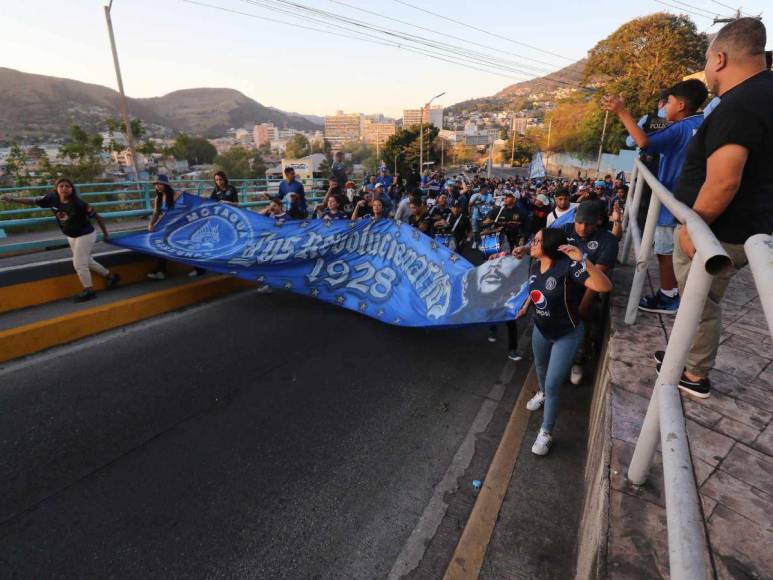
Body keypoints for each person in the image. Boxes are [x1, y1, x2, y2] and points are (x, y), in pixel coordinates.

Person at [665, 17, 773, 399]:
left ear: (721, 59)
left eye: (707, 60)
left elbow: (725, 179)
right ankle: (684, 355)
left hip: (720, 231)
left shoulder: (740, 104)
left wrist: (694, 226)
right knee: (700, 301)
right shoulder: (764, 94)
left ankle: (694, 373)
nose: (707, 70)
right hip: (748, 226)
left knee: (700, 303)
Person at [604, 79, 709, 316]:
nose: (664, 108)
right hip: (693, 198)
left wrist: (621, 112)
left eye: (669, 102)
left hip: (672, 199)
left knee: (665, 251)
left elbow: (642, 142)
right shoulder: (704, 123)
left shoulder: (680, 128)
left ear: (681, 105)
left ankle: (669, 295)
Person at [518, 227, 612, 455]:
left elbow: (604, 286)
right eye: (534, 239)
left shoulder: (568, 268)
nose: (533, 243)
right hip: (541, 329)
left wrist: (584, 261)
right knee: (540, 367)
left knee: (553, 384)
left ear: (549, 246)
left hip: (567, 335)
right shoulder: (534, 263)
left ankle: (546, 432)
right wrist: (526, 305)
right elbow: (535, 288)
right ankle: (541, 394)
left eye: (537, 240)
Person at [1, 177, 119, 302]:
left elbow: (98, 218)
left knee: (79, 264)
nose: (64, 189)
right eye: (61, 186)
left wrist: (106, 234)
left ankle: (89, 291)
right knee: (87, 261)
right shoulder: (52, 198)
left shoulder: (79, 204)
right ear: (56, 189)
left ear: (72, 189)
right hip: (71, 236)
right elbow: (33, 201)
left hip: (85, 235)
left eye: (67, 186)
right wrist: (13, 199)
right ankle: (111, 277)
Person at [146, 175, 192, 280]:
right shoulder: (158, 198)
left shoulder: (177, 195)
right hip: (168, 228)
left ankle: (199, 269)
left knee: (191, 245)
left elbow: (188, 206)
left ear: (166, 184)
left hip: (181, 227)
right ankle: (160, 271)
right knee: (158, 244)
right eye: (156, 184)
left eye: (160, 183)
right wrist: (151, 224)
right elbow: (156, 212)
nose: (158, 186)